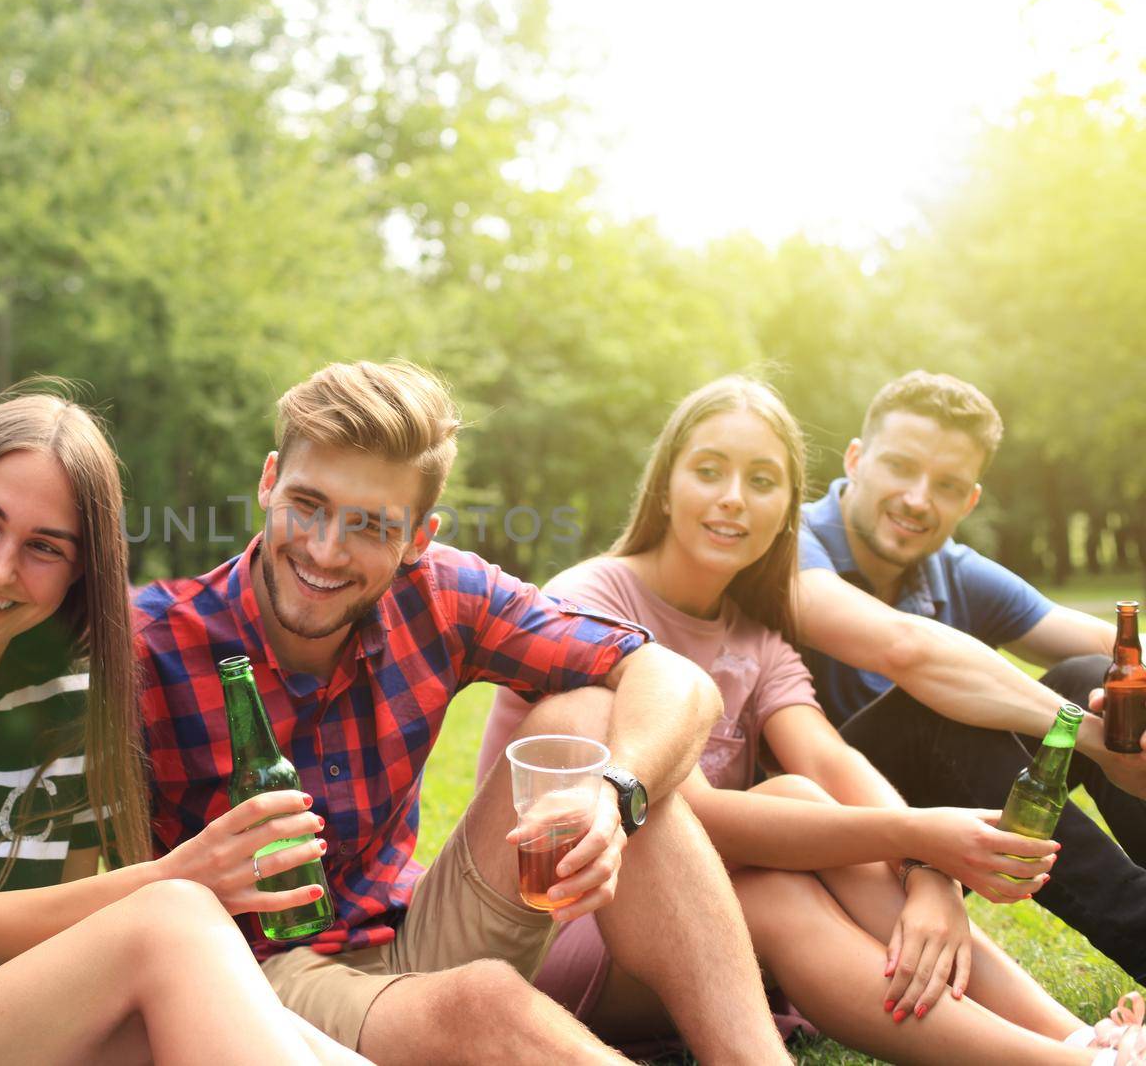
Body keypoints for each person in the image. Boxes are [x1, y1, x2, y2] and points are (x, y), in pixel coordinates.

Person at [135, 360, 793, 1066]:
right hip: (255, 979)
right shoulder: (153, 642)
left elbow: (673, 678)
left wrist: (615, 796)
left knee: (598, 725)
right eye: (307, 504)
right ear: (268, 481)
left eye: (370, 526)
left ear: (419, 536)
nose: (325, 549)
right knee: (483, 1006)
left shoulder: (442, 591)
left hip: (407, 932)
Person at [481, 376, 1142, 1064]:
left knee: (799, 799)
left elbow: (830, 760)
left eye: (762, 480)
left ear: (786, 510)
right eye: (709, 471)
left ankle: (1079, 1037)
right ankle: (1076, 1062)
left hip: (696, 930)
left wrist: (925, 873)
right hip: (560, 920)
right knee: (772, 874)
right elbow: (681, 822)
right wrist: (921, 835)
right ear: (665, 482)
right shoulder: (588, 605)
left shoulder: (757, 637)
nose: (734, 496)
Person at [0, 389, 367, 1065]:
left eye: (43, 548)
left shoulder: (75, 700)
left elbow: (67, 942)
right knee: (173, 915)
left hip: (17, 1029)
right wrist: (174, 877)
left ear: (79, 573)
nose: (0, 568)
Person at [791, 370, 1146, 979]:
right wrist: (1092, 742)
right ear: (856, 458)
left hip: (932, 838)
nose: (918, 499)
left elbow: (1107, 644)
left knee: (1099, 679)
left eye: (947, 485)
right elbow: (908, 650)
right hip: (807, 837)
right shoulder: (787, 539)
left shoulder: (950, 568)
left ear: (970, 500)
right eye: (900, 466)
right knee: (934, 711)